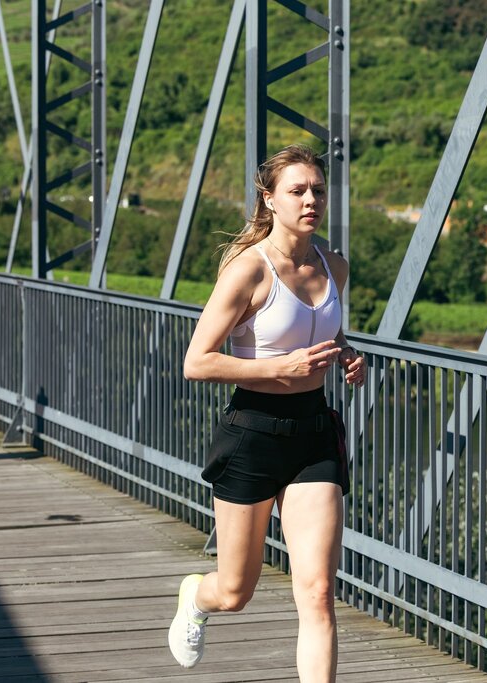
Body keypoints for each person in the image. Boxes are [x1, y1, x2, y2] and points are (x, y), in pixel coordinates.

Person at [170, 145, 366, 681]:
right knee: (235, 591)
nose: (311, 200)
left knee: (319, 592)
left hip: (314, 435)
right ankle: (196, 597)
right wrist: (280, 368)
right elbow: (196, 362)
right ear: (270, 199)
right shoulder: (249, 271)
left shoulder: (335, 267)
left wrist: (345, 353)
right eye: (297, 191)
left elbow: (322, 330)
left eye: (318, 190)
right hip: (253, 433)